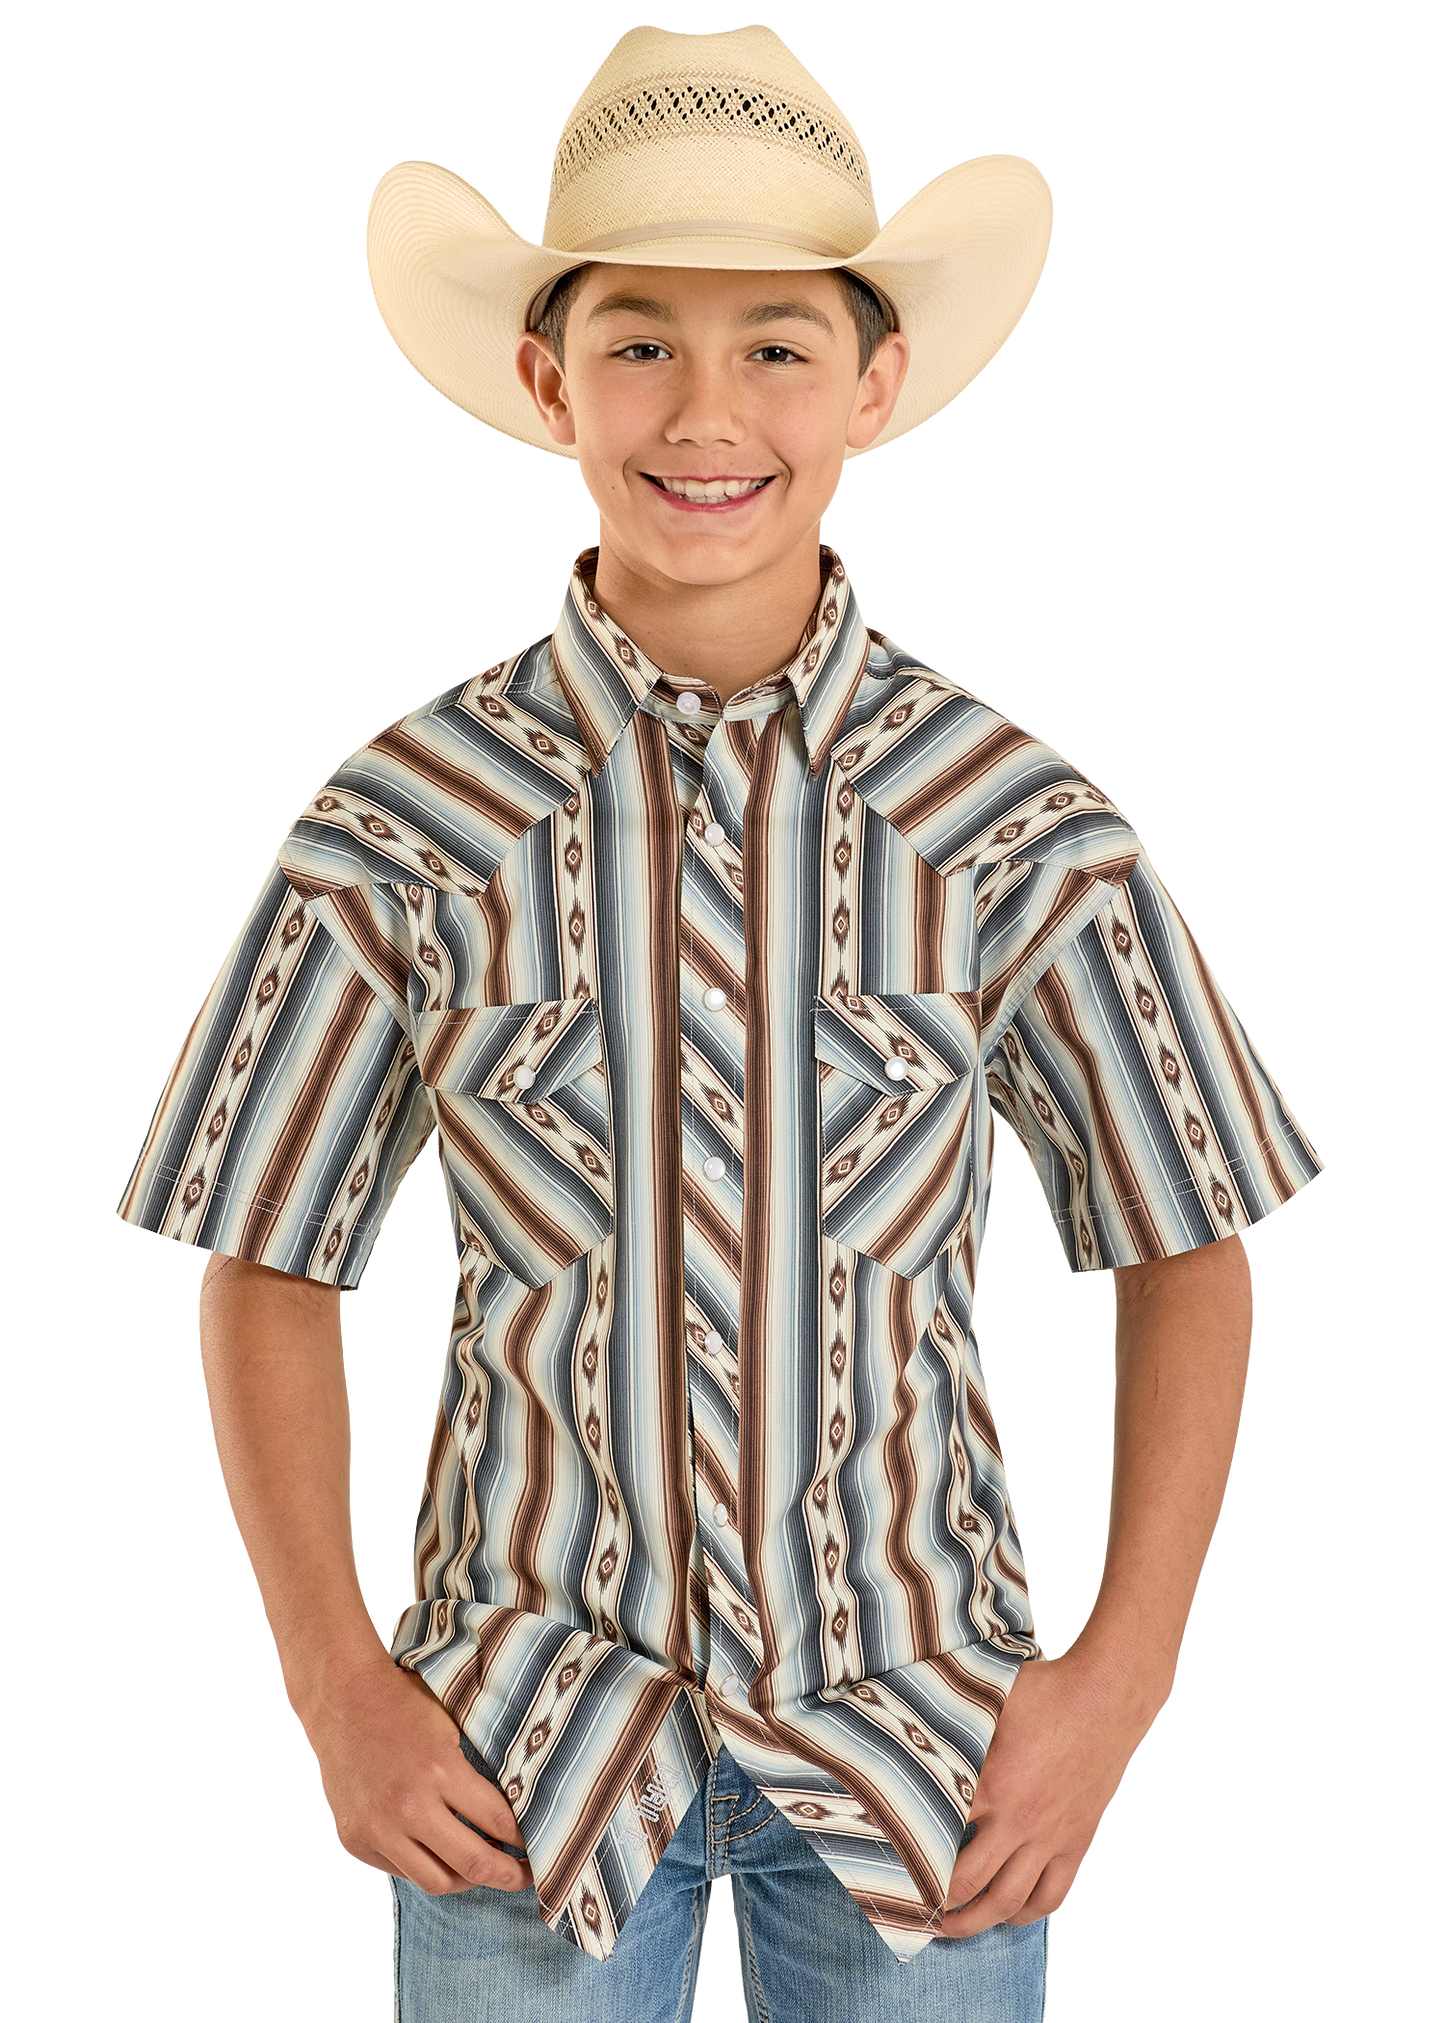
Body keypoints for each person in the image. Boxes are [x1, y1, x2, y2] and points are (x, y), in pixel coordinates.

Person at [115, 22, 1327, 2022]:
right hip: (512, 1749)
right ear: (544, 377)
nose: (706, 410)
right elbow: (265, 1254)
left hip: (928, 1747)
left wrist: (1113, 1688)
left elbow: (1186, 1237)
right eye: (640, 342)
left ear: (874, 379)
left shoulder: (1013, 819)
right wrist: (338, 1685)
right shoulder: (400, 817)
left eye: (773, 343)